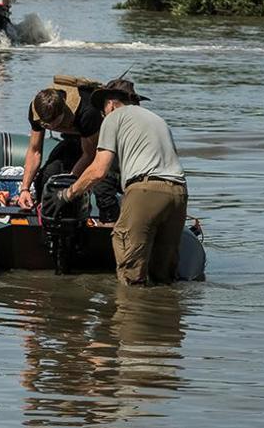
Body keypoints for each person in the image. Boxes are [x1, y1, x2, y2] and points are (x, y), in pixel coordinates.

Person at [52, 79, 188, 287]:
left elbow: (98, 170)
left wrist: (68, 193)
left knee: (130, 272)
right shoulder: (157, 119)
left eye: (103, 110)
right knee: (164, 276)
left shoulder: (113, 118)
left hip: (145, 191)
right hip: (178, 193)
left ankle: (129, 314)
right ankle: (165, 316)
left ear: (111, 104)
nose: (102, 114)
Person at [18, 75, 121, 223]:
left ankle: (105, 222)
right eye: (46, 125)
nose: (51, 127)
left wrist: (69, 185)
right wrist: (25, 189)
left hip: (103, 144)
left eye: (55, 123)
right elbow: (35, 151)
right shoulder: (36, 112)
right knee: (47, 176)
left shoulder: (87, 111)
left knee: (101, 188)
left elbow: (89, 155)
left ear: (64, 112)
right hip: (74, 139)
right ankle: (45, 222)